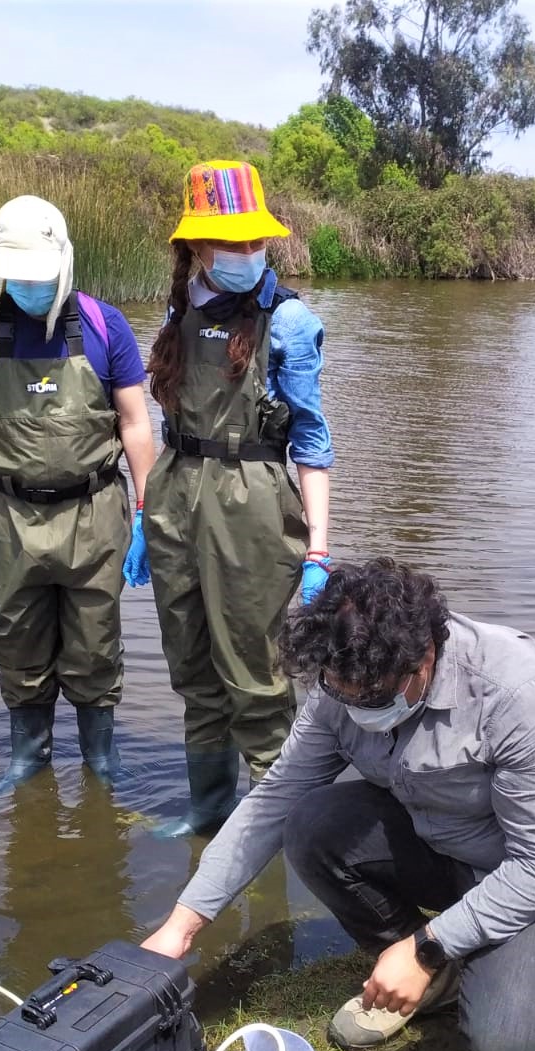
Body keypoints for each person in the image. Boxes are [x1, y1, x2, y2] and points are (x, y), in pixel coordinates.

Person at [143, 558, 535, 1051]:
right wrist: (181, 927)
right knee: (311, 823)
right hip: (445, 843)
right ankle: (438, 978)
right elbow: (275, 798)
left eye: (373, 698)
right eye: (340, 692)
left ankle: (479, 959)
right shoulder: (342, 680)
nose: (356, 709)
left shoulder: (517, 693)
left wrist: (427, 943)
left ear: (423, 657)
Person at [0, 195, 156, 796]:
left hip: (96, 513)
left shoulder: (105, 325)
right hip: (11, 517)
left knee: (95, 643)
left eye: (40, 276)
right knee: (17, 642)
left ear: (63, 261)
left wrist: (146, 514)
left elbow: (136, 423)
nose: (30, 288)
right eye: (19, 277)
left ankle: (99, 763)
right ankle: (27, 761)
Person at [143, 160, 335, 838]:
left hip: (250, 500)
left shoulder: (288, 322)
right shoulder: (178, 309)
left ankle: (271, 832)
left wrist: (317, 547)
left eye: (257, 243)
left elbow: (311, 440)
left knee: (257, 678)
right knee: (193, 669)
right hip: (174, 493)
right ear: (196, 248)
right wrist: (146, 515)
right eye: (234, 243)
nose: (248, 255)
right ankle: (207, 814)